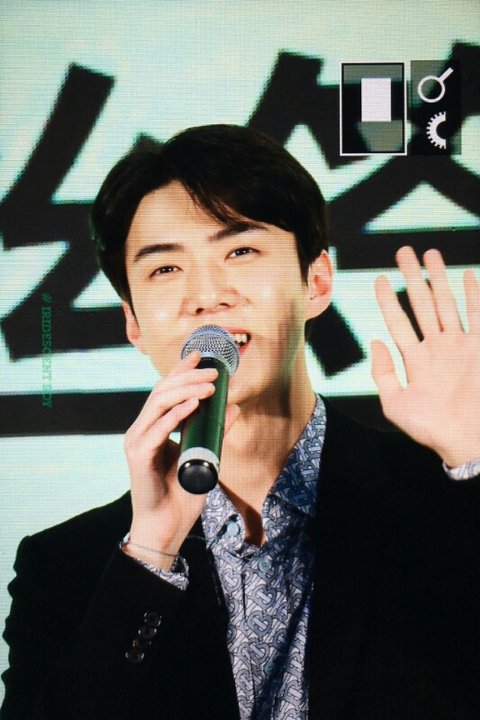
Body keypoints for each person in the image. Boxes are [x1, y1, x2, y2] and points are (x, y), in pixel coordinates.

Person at [1, 124, 479, 720]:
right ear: (134, 323)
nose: (207, 295)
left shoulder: (443, 492)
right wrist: (151, 553)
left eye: (240, 252)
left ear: (316, 281)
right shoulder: (67, 568)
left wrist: (472, 459)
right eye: (165, 269)